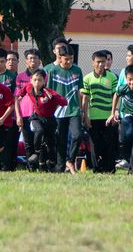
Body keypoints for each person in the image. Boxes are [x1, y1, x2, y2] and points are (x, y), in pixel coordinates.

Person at [44, 42, 84, 174]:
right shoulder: (51, 71)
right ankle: (60, 167)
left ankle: (70, 160)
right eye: (66, 59)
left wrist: (82, 109)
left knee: (78, 135)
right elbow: (48, 92)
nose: (69, 61)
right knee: (60, 140)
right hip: (58, 111)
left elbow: (80, 91)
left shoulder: (77, 70)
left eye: (71, 58)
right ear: (59, 58)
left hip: (74, 110)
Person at [18, 68, 66, 171]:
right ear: (31, 80)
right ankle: (36, 152)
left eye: (40, 80)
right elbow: (20, 94)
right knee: (39, 131)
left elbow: (64, 102)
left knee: (51, 145)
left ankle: (51, 162)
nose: (37, 83)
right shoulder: (28, 87)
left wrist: (53, 97)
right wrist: (19, 98)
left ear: (44, 81)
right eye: (35, 80)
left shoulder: (49, 93)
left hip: (49, 120)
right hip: (37, 117)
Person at [79, 50, 118, 173]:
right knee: (95, 144)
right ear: (93, 63)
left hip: (108, 116)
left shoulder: (112, 77)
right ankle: (97, 168)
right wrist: (85, 116)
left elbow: (115, 96)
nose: (101, 64)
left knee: (109, 143)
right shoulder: (87, 78)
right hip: (93, 117)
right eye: (98, 62)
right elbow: (85, 98)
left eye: (103, 61)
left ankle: (110, 168)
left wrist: (114, 113)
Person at [15, 48, 41, 168]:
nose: (33, 61)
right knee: (27, 141)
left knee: (39, 137)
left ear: (39, 61)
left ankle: (41, 163)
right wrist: (18, 116)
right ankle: (31, 166)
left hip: (39, 114)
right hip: (25, 113)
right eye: (30, 58)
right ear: (26, 61)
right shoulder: (20, 77)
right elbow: (16, 98)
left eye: (35, 58)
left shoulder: (44, 76)